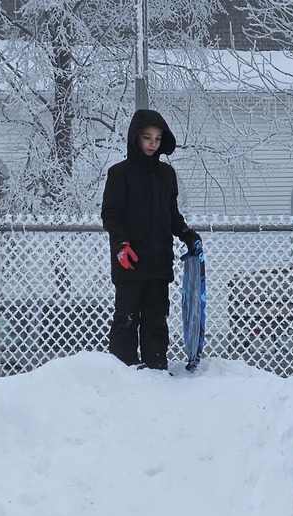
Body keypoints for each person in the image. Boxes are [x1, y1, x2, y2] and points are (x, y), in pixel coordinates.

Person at [101, 109, 200, 371]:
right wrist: (121, 244)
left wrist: (186, 234)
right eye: (147, 137)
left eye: (157, 138)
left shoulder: (167, 175)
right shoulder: (119, 174)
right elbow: (111, 215)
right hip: (130, 263)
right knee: (126, 318)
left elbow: (172, 214)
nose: (152, 143)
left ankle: (156, 369)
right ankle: (121, 371)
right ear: (136, 138)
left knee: (156, 320)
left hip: (159, 263)